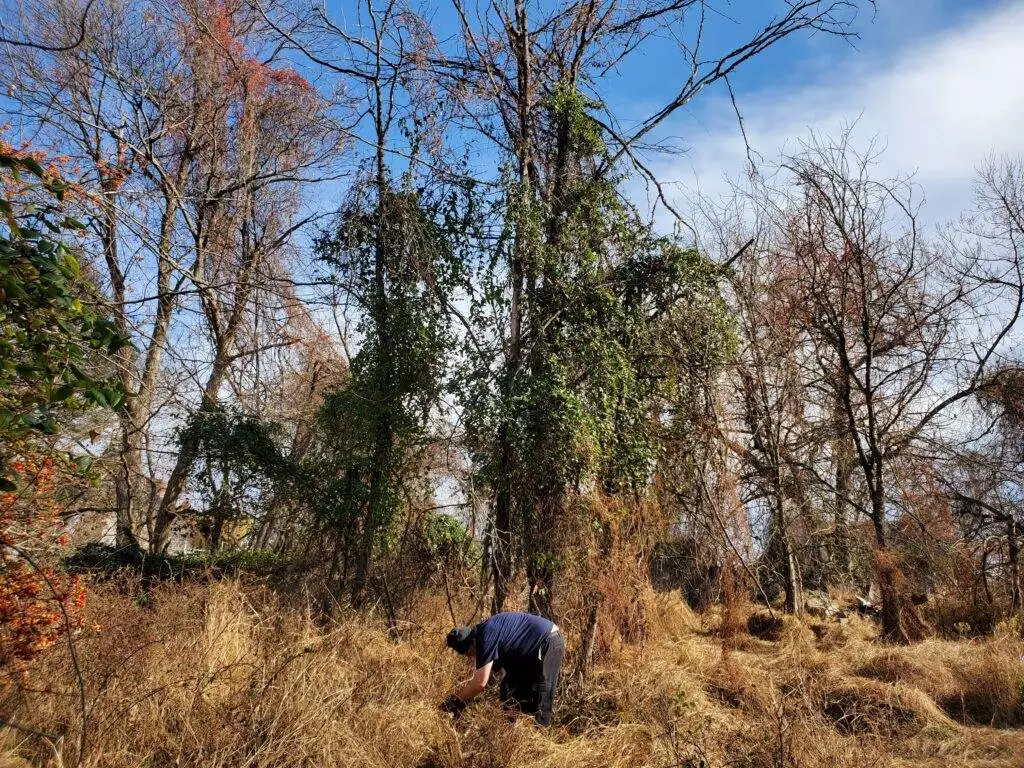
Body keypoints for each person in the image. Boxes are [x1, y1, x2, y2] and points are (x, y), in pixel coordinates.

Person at [441, 611, 564, 726]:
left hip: (547, 641)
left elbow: (480, 683)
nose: (472, 657)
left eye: (470, 653)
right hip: (529, 651)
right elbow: (488, 676)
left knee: (541, 692)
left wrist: (457, 701)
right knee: (508, 689)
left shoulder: (485, 637)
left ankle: (541, 737)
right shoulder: (484, 633)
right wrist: (466, 700)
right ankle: (512, 733)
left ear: (472, 643)